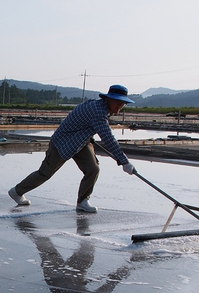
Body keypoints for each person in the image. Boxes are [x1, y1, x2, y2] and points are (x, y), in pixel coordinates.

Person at [8, 84, 136, 213]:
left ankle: (83, 201)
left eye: (122, 103)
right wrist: (124, 161)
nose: (119, 106)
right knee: (45, 173)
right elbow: (108, 138)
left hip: (81, 142)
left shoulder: (101, 107)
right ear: (108, 99)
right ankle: (17, 191)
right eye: (117, 102)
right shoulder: (98, 111)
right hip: (63, 143)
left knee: (93, 169)